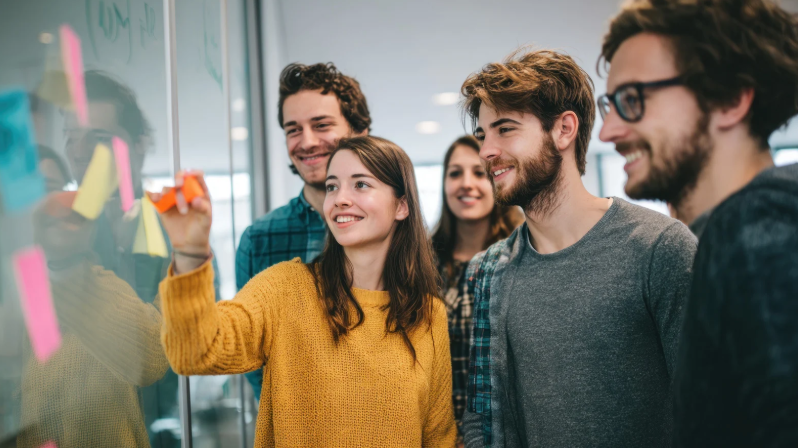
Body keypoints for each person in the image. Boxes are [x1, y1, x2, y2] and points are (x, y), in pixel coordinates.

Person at [458, 49, 697, 447]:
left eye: (505, 129)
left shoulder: (660, 248)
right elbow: (481, 418)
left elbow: (711, 408)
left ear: (564, 129)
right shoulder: (488, 272)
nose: (485, 151)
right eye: (483, 135)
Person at [155, 136, 457, 447]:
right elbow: (196, 352)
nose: (340, 198)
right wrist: (190, 252)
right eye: (332, 186)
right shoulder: (285, 288)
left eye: (361, 185)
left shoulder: (428, 313)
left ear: (402, 206)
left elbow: (439, 436)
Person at [598, 0, 798, 445]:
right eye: (609, 105)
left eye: (632, 100)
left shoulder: (753, 232)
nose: (608, 131)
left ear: (729, 98)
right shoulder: (738, 234)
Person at [19, 76, 173, 448]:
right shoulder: (54, 236)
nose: (81, 151)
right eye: (73, 136)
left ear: (139, 147)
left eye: (99, 138)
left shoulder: (174, 229)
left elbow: (165, 353)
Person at [236, 62, 371, 399]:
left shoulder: (396, 229)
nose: (306, 142)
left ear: (360, 132)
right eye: (293, 129)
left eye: (322, 125)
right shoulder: (259, 239)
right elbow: (250, 356)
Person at [430, 135, 523, 442]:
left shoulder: (521, 255)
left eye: (479, 172)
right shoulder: (421, 263)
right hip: (434, 433)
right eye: (455, 173)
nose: (466, 184)